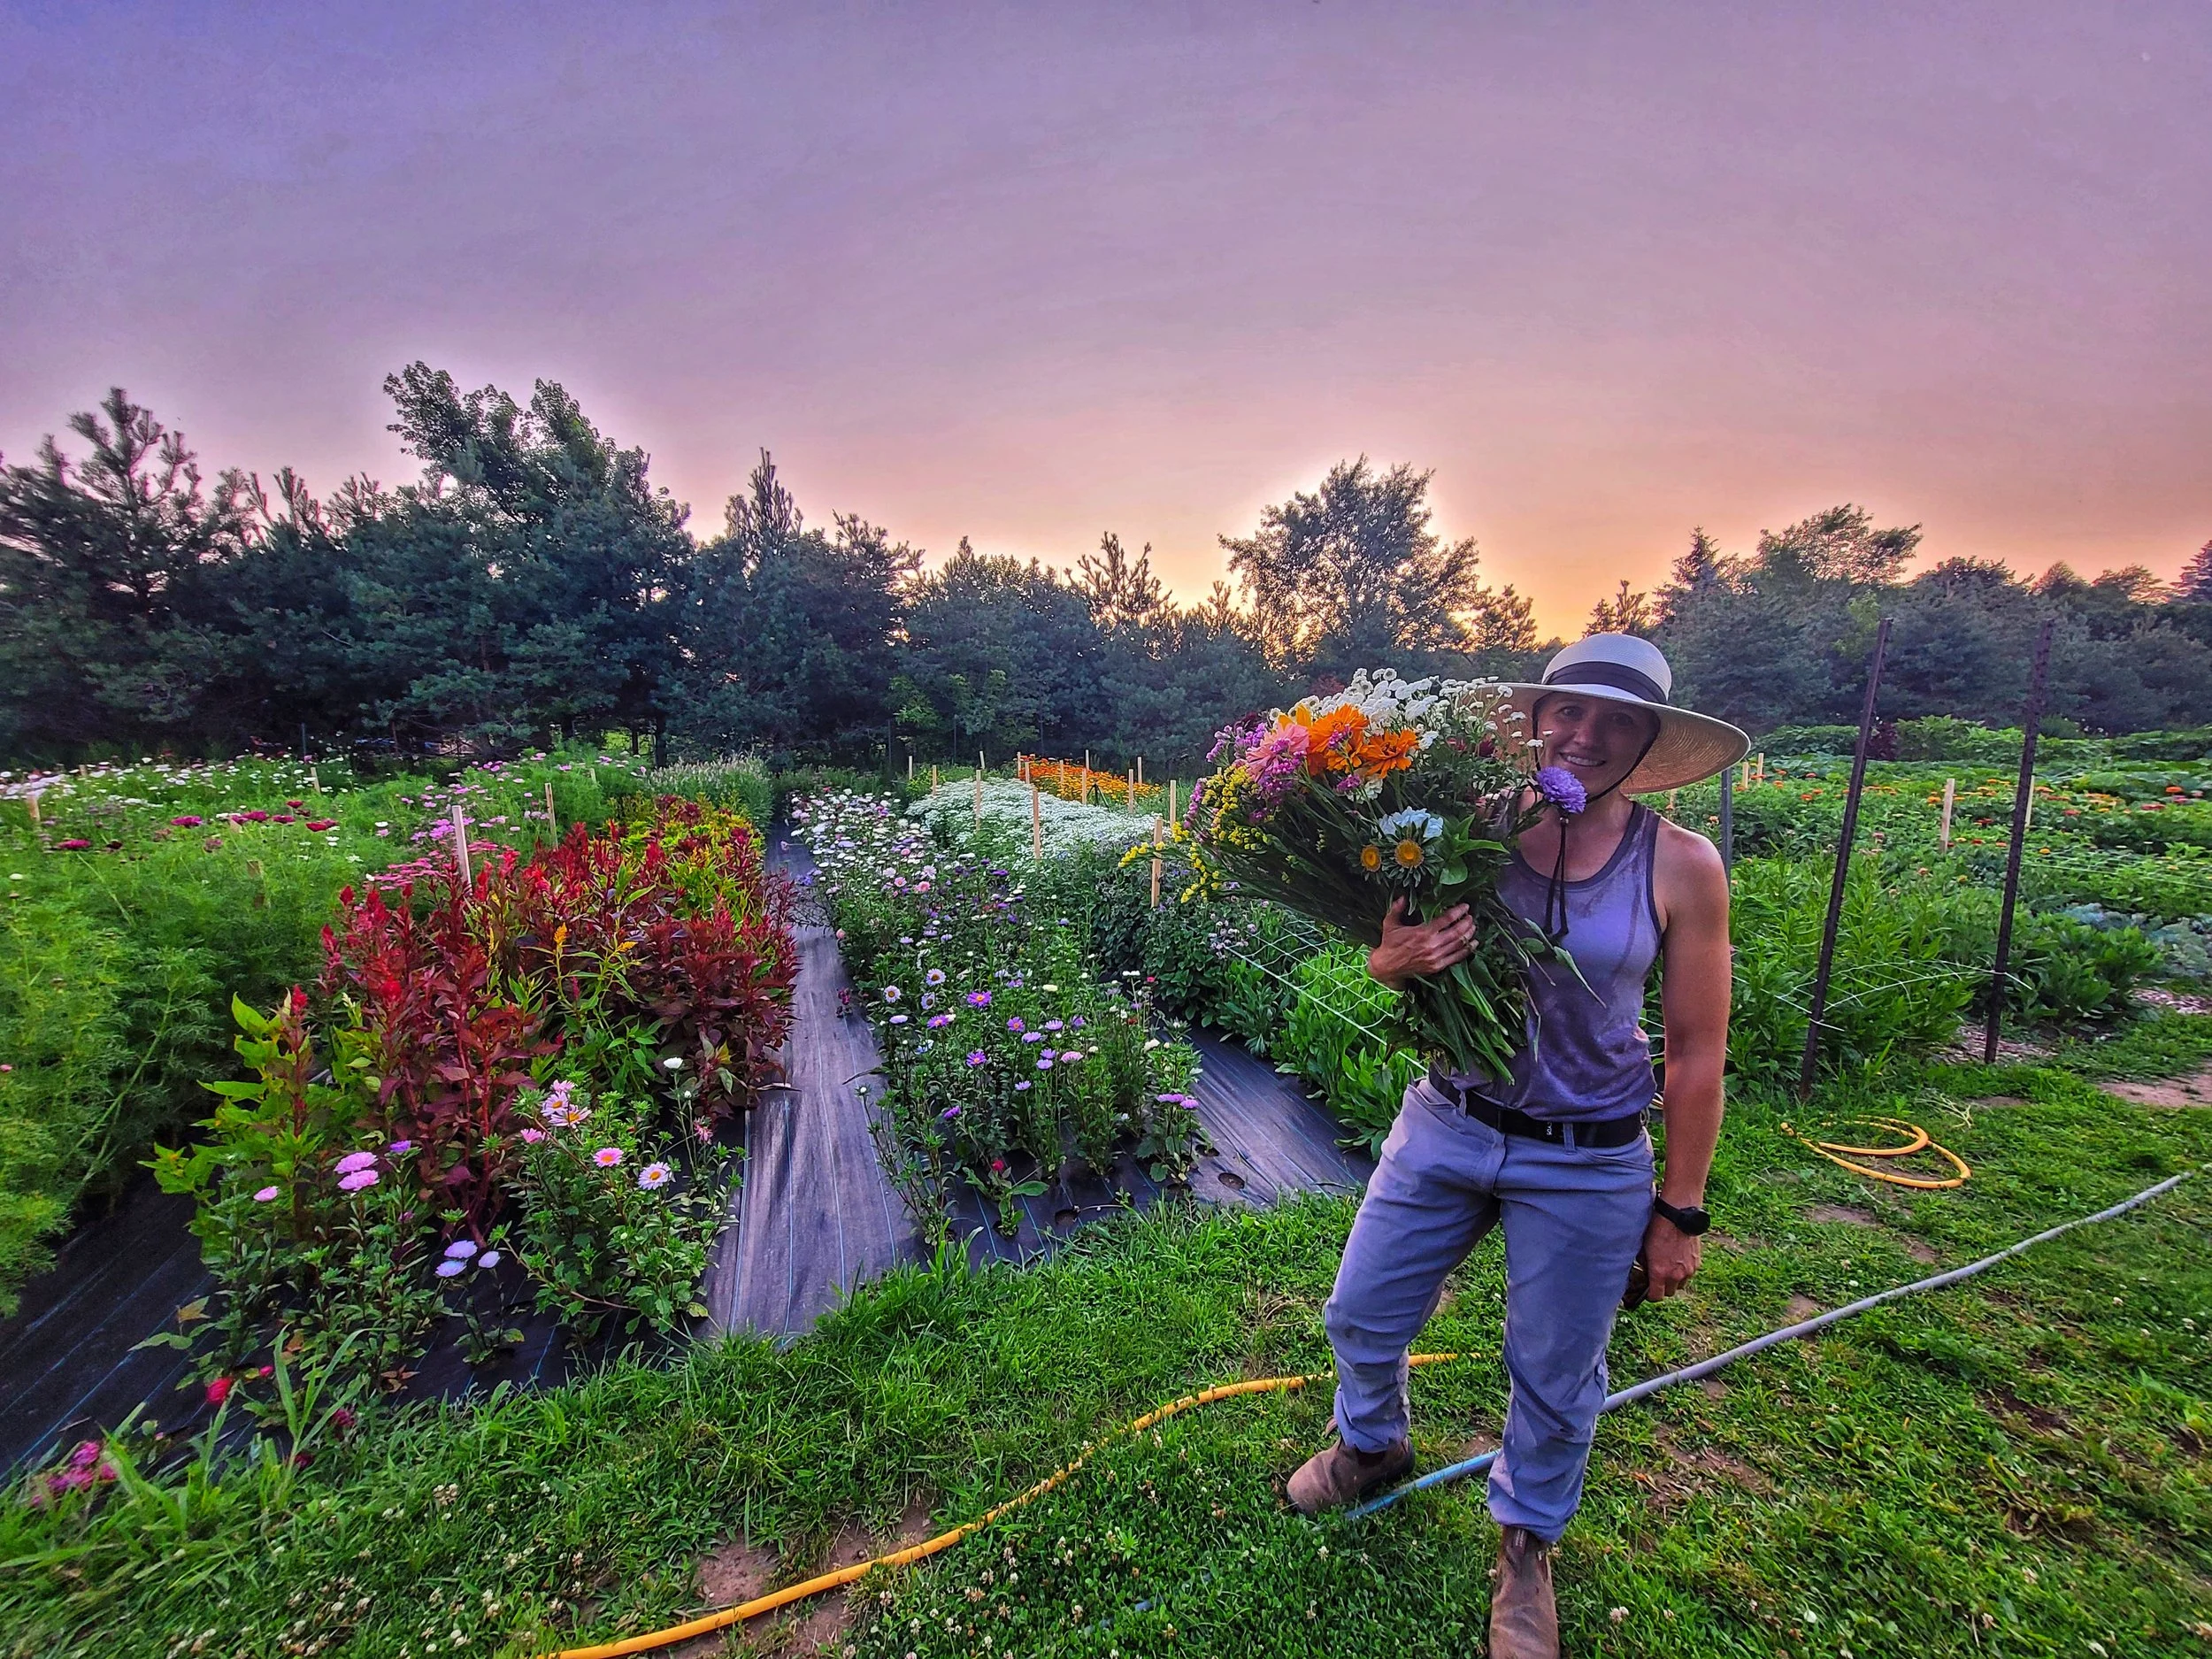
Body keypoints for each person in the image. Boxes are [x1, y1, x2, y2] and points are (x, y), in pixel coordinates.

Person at [1285, 634, 1747, 1659]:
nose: (1584, 734)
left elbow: (1697, 1051)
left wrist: (1679, 1209)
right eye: (1568, 712)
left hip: (1586, 1154)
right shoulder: (1467, 826)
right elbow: (1389, 951)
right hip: (1449, 1118)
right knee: (1359, 1309)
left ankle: (1525, 1550)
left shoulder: (1680, 864)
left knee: (1553, 1369)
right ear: (1537, 717)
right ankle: (1372, 1442)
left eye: (1614, 720)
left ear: (1646, 740)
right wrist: (1388, 962)